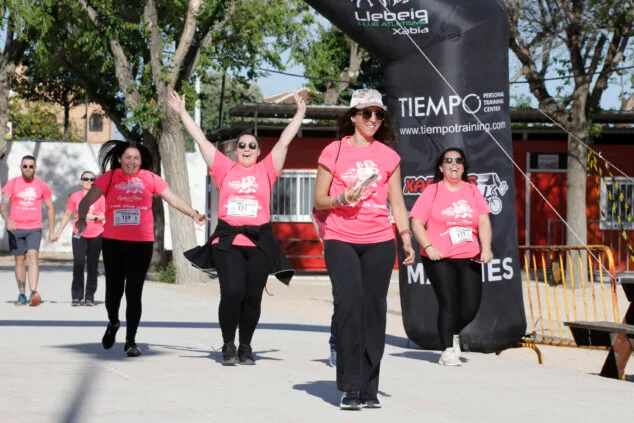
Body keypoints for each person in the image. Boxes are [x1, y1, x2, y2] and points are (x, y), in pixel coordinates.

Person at [169, 90, 304, 366]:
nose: (246, 149)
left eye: (252, 145)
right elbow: (201, 140)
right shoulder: (224, 168)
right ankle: (228, 345)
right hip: (228, 241)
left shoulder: (267, 170)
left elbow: (284, 141)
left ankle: (245, 346)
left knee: (252, 298)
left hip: (259, 243)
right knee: (232, 293)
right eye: (242, 145)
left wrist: (300, 113)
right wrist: (182, 113)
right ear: (235, 149)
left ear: (259, 151)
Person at [313, 88, 415, 410]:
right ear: (353, 116)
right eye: (367, 113)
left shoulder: (388, 156)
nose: (373, 119)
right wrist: (340, 199)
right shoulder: (333, 151)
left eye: (378, 114)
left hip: (379, 242)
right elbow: (319, 200)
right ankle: (350, 387)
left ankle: (370, 387)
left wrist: (406, 236)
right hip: (341, 238)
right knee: (349, 307)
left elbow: (397, 202)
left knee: (374, 312)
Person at [75, 140, 206, 358]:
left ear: (141, 160)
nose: (132, 161)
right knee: (113, 291)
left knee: (134, 292)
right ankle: (113, 322)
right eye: (128, 157)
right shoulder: (109, 178)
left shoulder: (150, 178)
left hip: (141, 243)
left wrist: (193, 213)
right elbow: (86, 200)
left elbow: (173, 199)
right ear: (120, 159)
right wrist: (81, 218)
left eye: (136, 158)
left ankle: (131, 341)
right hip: (113, 242)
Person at [410, 147, 493, 367]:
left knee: (470, 307)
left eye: (458, 160)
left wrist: (486, 248)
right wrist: (428, 246)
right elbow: (416, 222)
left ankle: (452, 332)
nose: (454, 164)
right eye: (448, 160)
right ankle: (447, 350)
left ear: (464, 167)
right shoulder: (432, 191)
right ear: (441, 167)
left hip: (469, 255)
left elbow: (484, 221)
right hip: (439, 257)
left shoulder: (472, 190)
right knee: (448, 303)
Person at [1, 155, 56, 306]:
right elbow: (3, 206)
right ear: (20, 167)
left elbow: (50, 208)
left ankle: (33, 292)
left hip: (34, 228)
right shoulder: (12, 184)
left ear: (35, 168)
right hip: (16, 228)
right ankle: (21, 294)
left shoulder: (42, 185)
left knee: (33, 256)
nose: (28, 169)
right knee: (19, 260)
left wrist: (52, 231)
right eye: (25, 166)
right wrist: (8, 220)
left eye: (31, 166)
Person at [53, 171, 106, 306]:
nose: (89, 181)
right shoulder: (75, 197)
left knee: (92, 265)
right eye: (86, 179)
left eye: (92, 179)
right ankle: (76, 296)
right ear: (81, 181)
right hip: (79, 234)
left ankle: (89, 297)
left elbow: (106, 215)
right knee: (79, 263)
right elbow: (67, 215)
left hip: (96, 234)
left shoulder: (100, 197)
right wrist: (58, 232)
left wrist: (94, 217)